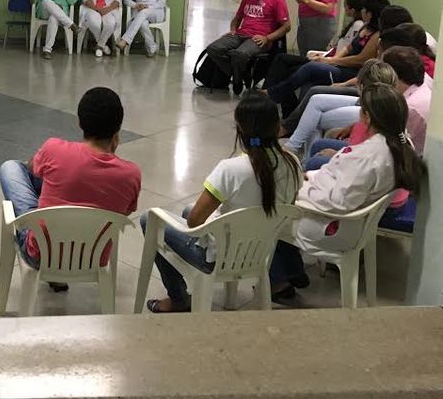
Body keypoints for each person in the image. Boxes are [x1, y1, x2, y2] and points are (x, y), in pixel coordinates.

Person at [141, 91, 302, 312]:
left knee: (148, 220)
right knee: (188, 210)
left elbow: (195, 222)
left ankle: (178, 298)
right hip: (260, 253)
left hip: (221, 258)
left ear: (240, 128)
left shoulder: (231, 169)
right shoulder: (292, 163)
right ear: (278, 127)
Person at [269, 84, 426, 299]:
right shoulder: (399, 144)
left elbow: (337, 203)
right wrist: (314, 177)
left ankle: (279, 282)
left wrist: (300, 190)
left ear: (367, 117)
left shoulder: (369, 157)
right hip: (352, 216)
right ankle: (292, 270)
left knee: (271, 207)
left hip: (338, 226)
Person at [0, 87, 141, 288]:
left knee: (11, 167)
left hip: (41, 254)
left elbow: (31, 169)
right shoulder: (131, 174)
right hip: (93, 257)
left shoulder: (54, 149)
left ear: (80, 122)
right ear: (117, 130)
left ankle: (48, 229)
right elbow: (124, 212)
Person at [267, 0, 393, 112]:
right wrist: (333, 59)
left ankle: (272, 94)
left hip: (352, 71)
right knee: (292, 73)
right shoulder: (364, 27)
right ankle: (285, 108)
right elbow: (348, 47)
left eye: (364, 9)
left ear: (370, 14)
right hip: (340, 64)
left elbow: (360, 59)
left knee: (310, 68)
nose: (362, 11)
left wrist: (330, 61)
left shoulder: (377, 36)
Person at [282, 58, 396, 161]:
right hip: (362, 102)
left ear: (361, 86)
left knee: (315, 118)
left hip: (367, 106)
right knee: (316, 100)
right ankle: (293, 147)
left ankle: (302, 156)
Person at [204, 0, 291, 94]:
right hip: (240, 34)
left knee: (239, 55)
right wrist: (233, 30)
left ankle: (237, 80)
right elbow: (237, 19)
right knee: (213, 48)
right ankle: (239, 75)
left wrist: (267, 38)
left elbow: (286, 26)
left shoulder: (277, 0)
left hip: (259, 38)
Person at [264, 0, 366, 91]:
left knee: (286, 68)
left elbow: (349, 51)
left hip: (335, 63)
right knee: (281, 59)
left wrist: (328, 59)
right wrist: (324, 55)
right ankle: (270, 95)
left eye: (345, 4)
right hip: (329, 57)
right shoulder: (354, 24)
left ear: (352, 9)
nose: (344, 7)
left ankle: (268, 94)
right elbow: (342, 48)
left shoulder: (359, 26)